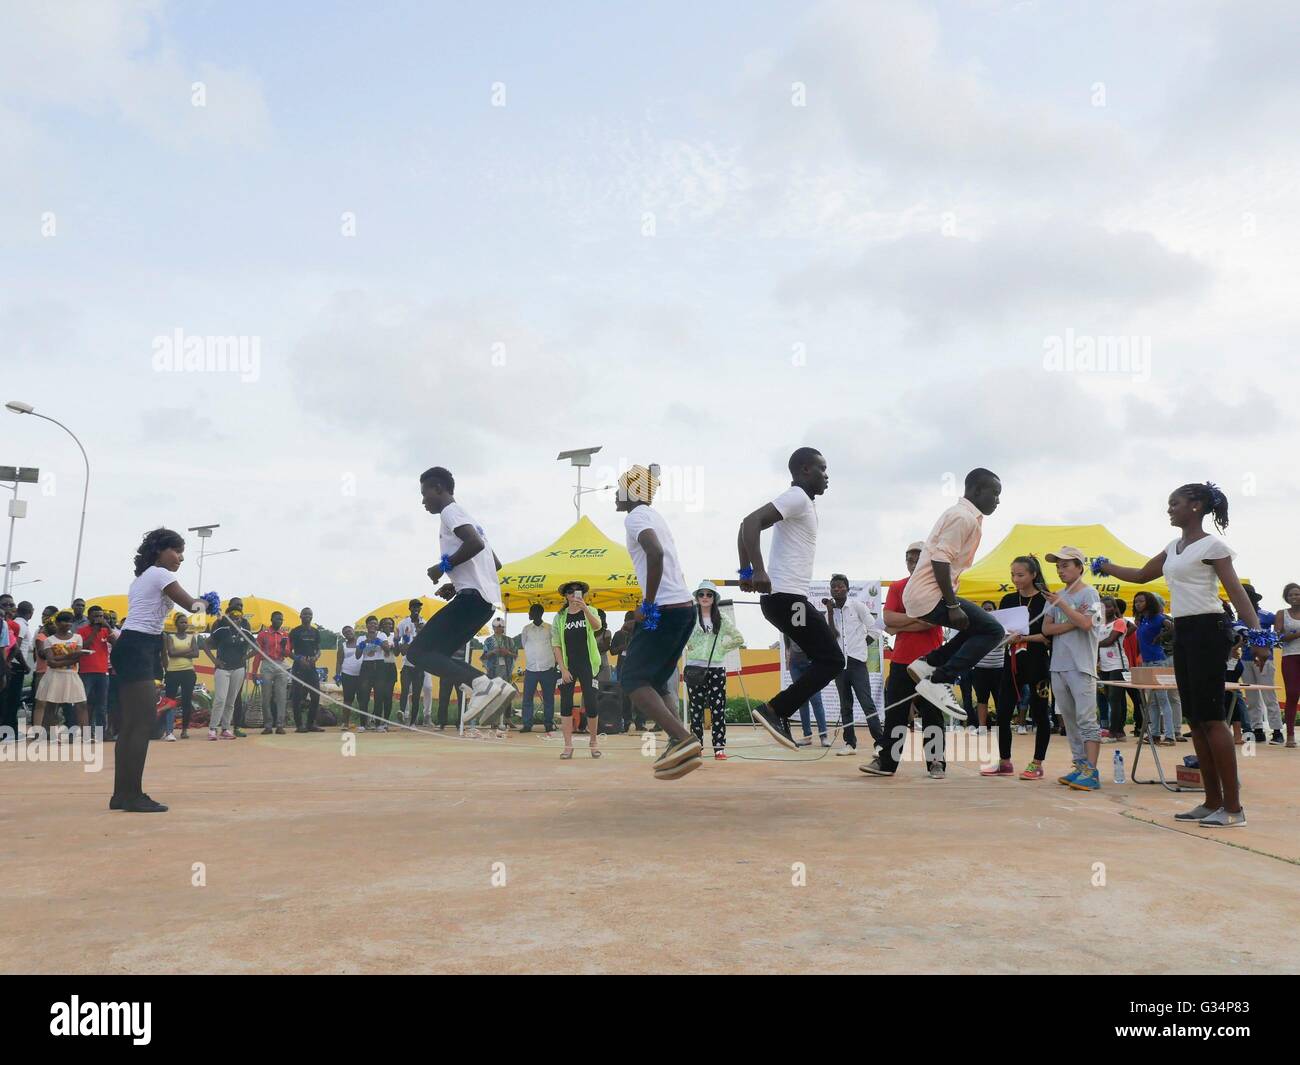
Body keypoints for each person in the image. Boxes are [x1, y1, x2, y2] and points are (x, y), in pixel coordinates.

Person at [1096, 482, 1261, 826]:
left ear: (1197, 505)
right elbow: (1142, 574)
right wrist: (1106, 566)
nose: (1169, 509)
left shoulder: (1213, 545)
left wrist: (1256, 633)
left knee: (1213, 718)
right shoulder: (1174, 547)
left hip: (1209, 630)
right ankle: (1210, 801)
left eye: (1176, 503)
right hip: (1184, 632)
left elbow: (1235, 592)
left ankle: (1234, 808)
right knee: (1196, 720)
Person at [738, 447, 841, 750]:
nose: (827, 476)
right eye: (822, 469)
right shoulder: (796, 497)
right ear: (805, 470)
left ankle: (778, 711)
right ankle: (775, 711)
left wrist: (747, 572)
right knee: (833, 659)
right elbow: (750, 521)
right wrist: (756, 569)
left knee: (825, 659)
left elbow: (745, 525)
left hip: (785, 600)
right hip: (788, 600)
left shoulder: (803, 503)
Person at [111, 528, 213, 811]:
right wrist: (209, 603)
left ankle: (122, 794)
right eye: (176, 551)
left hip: (133, 644)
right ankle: (132, 795)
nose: (180, 557)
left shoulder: (143, 577)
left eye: (182, 553)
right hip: (139, 646)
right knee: (143, 723)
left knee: (132, 725)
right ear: (159, 550)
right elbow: (192, 606)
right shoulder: (161, 574)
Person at [612, 464, 703, 778]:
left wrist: (648, 605)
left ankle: (682, 738)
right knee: (656, 680)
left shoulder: (635, 517)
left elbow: (655, 552)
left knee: (633, 681)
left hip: (663, 610)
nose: (614, 493)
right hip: (683, 608)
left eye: (619, 487)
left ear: (633, 492)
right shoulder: (654, 516)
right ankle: (678, 742)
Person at [404, 466, 512, 724]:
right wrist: (456, 582)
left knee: (417, 653)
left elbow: (475, 544)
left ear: (438, 489)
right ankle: (491, 686)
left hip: (472, 600)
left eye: (424, 493)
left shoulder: (450, 512)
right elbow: (494, 564)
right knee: (439, 654)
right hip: (483, 602)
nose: (422, 500)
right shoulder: (470, 518)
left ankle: (482, 685)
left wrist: (442, 568)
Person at [901, 469, 1005, 720]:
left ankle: (929, 663)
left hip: (924, 595)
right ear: (978, 490)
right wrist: (952, 604)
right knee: (994, 631)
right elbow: (940, 559)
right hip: (930, 594)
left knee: (975, 628)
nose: (998, 501)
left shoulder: (966, 517)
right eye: (995, 494)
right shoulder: (963, 517)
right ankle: (939, 679)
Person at [861, 542, 947, 779]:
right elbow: (888, 619)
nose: (912, 562)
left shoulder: (937, 587)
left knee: (933, 712)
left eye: (917, 558)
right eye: (909, 558)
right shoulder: (898, 587)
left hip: (931, 660)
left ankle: (936, 762)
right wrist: (917, 620)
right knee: (895, 714)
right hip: (901, 660)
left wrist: (903, 623)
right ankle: (887, 762)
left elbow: (933, 621)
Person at [1038, 547, 1107, 792]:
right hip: (1058, 665)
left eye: (1066, 565)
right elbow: (1047, 629)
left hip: (1081, 665)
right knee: (1069, 719)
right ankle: (1079, 766)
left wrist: (1063, 608)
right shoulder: (1057, 595)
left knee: (1086, 719)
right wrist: (1072, 618)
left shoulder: (1091, 595)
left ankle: (1091, 770)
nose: (1060, 570)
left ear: (1079, 567)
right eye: (1058, 566)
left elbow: (1088, 624)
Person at [983, 555, 1053, 779]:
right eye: (1013, 574)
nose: (1015, 579)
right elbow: (999, 629)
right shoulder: (1008, 599)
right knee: (1003, 712)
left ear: (1033, 574)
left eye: (1020, 575)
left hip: (1037, 662)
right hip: (1011, 662)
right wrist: (1004, 636)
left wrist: (1023, 637)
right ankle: (1004, 761)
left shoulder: (1046, 600)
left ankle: (1037, 763)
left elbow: (1049, 637)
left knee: (1040, 712)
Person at [684, 580, 745, 759]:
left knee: (718, 708)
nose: (705, 597)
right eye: (701, 594)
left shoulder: (722, 619)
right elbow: (682, 634)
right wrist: (689, 645)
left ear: (714, 598)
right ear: (697, 597)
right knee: (695, 709)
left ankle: (719, 747)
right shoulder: (691, 617)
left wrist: (721, 649)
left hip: (716, 668)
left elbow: (738, 638)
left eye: (709, 594)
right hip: (695, 667)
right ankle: (697, 746)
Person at [824, 573, 884, 755]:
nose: (837, 589)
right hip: (839, 666)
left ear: (847, 589)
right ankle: (850, 744)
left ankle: (880, 743)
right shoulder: (832, 611)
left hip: (857, 662)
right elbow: (832, 635)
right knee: (845, 706)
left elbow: (876, 629)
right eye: (834, 587)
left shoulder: (857, 606)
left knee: (867, 703)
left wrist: (861, 647)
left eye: (841, 586)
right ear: (831, 590)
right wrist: (829, 611)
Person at [551, 581, 604, 758]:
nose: (575, 595)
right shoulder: (559, 617)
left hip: (588, 664)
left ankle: (593, 742)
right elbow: (556, 644)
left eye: (578, 592)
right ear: (565, 596)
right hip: (568, 665)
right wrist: (563, 668)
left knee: (591, 702)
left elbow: (597, 627)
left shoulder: (591, 610)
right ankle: (568, 745)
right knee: (565, 703)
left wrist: (585, 609)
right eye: (571, 592)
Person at [33, 611, 89, 739]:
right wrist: (70, 656)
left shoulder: (77, 638)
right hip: (54, 676)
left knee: (82, 704)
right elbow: (51, 663)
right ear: (57, 623)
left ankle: (86, 735)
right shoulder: (49, 640)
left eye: (70, 621)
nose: (68, 624)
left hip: (72, 675)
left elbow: (77, 659)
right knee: (52, 705)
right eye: (64, 621)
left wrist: (61, 659)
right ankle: (51, 735)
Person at [1132, 591, 1179, 746]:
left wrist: (1162, 637)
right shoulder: (1143, 619)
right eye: (1136, 601)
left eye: (1141, 601)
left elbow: (1174, 628)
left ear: (1149, 602)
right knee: (1151, 702)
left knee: (1162, 699)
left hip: (1158, 662)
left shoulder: (1158, 618)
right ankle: (1155, 734)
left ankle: (1170, 736)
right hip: (1146, 662)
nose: (1138, 604)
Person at [206, 598, 251, 740]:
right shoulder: (221, 625)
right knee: (220, 699)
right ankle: (213, 728)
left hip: (238, 668)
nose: (238, 611)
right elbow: (207, 644)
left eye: (241, 608)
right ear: (229, 609)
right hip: (223, 668)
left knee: (231, 701)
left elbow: (253, 645)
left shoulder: (245, 625)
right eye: (236, 607)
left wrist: (246, 656)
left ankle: (226, 728)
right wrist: (215, 660)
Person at [518, 604, 558, 734]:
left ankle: (548, 724)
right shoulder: (526, 629)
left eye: (531, 612)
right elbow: (525, 645)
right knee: (527, 698)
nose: (529, 614)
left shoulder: (549, 629)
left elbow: (555, 646)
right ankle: (527, 724)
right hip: (531, 669)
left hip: (548, 668)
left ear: (538, 613)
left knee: (548, 698)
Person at [1095, 596, 1131, 741]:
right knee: (1113, 699)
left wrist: (1095, 644)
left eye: (1109, 606)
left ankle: (1112, 732)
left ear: (1115, 608)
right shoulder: (1100, 624)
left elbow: (1110, 641)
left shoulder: (1119, 622)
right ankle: (1120, 732)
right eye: (1103, 607)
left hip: (1118, 665)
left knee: (1114, 699)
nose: (1106, 609)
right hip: (1104, 666)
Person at [969, 601, 1005, 736]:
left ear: (995, 611)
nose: (987, 611)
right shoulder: (976, 627)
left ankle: (1002, 727)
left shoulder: (1002, 627)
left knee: (1000, 699)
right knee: (981, 699)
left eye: (990, 609)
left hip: (998, 668)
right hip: (980, 668)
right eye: (984, 609)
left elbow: (1007, 642)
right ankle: (982, 728)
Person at [161, 613, 200, 739]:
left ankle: (184, 730)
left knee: (186, 701)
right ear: (176, 624)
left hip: (188, 672)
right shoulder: (170, 636)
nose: (184, 624)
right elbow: (171, 653)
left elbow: (196, 653)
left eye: (185, 622)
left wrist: (182, 652)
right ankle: (169, 730)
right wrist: (188, 650)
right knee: (170, 702)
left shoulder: (191, 637)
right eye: (182, 622)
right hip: (172, 672)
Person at [786, 636, 829, 747]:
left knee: (816, 700)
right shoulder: (788, 622)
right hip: (795, 665)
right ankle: (807, 736)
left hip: (811, 663)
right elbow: (787, 638)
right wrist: (788, 655)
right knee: (802, 701)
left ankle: (823, 736)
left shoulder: (808, 621)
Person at [254, 610, 292, 734]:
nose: (279, 621)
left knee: (281, 696)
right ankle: (268, 725)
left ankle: (280, 725)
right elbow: (258, 654)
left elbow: (286, 653)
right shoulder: (263, 634)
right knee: (266, 696)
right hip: (267, 664)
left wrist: (283, 646)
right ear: (271, 619)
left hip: (281, 664)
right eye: (277, 619)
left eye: (281, 619)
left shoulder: (285, 635)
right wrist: (254, 672)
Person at [1, 600, 34, 740]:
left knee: (9, 699)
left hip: (9, 664)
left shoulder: (13, 624)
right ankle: (8, 731)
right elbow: (16, 647)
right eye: (6, 605)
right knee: (11, 700)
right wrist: (10, 663)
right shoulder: (18, 625)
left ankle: (11, 730)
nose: (9, 608)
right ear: (31, 612)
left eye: (11, 605)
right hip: (12, 665)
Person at [289, 607, 324, 733]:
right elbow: (288, 651)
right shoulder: (295, 631)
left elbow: (319, 650)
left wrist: (316, 657)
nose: (307, 616)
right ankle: (299, 725)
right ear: (301, 616)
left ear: (312, 616)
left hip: (311, 665)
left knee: (315, 695)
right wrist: (299, 659)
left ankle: (310, 724)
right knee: (297, 696)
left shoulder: (315, 632)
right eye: (305, 614)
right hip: (299, 665)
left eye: (309, 614)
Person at [355, 616, 392, 731]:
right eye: (371, 623)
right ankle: (363, 724)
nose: (373, 625)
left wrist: (378, 641)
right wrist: (365, 642)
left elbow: (387, 650)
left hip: (380, 666)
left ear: (377, 626)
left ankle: (378, 724)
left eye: (375, 624)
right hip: (366, 666)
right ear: (367, 626)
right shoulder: (361, 638)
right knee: (364, 696)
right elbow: (357, 655)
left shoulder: (381, 635)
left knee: (379, 696)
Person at [1241, 645, 1284, 745]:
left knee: (1269, 696)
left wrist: (1262, 656)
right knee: (1251, 698)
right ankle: (1257, 729)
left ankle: (1277, 731)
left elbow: (1270, 635)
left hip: (1265, 659)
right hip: (1245, 659)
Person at [1276, 582, 1300, 748]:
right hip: (1290, 656)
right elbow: (1278, 637)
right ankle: (1290, 734)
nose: (1294, 597)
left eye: (1297, 594)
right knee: (1292, 693)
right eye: (1291, 595)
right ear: (1286, 598)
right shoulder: (1281, 614)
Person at [396, 600, 425, 725]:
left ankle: (413, 722)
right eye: (414, 607)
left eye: (418, 607)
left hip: (420, 664)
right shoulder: (403, 623)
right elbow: (399, 642)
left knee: (417, 695)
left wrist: (420, 631)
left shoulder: (425, 623)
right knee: (405, 690)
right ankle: (402, 713)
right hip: (407, 663)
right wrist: (402, 646)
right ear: (410, 608)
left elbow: (427, 641)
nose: (416, 609)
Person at [334, 624, 364, 729]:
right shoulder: (343, 645)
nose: (348, 633)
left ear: (353, 631)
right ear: (344, 635)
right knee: (347, 699)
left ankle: (364, 723)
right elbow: (339, 661)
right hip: (347, 674)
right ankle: (345, 723)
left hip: (362, 675)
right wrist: (337, 675)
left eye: (349, 630)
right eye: (345, 632)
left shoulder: (361, 643)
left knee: (362, 699)